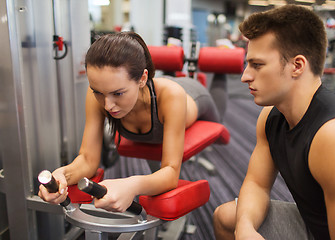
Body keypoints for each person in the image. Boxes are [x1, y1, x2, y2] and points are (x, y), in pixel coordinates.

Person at [213, 5, 335, 240]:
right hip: (315, 222)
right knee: (227, 218)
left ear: (297, 66)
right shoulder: (272, 116)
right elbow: (257, 184)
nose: (245, 76)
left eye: (257, 65)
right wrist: (246, 229)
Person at [38, 31, 222, 212]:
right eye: (98, 92)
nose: (108, 105)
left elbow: (171, 172)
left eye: (118, 93)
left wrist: (131, 185)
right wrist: (62, 174)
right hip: (149, 90)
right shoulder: (99, 93)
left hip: (194, 95)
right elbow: (88, 158)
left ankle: (221, 71)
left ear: (142, 78)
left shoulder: (172, 96)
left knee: (220, 122)